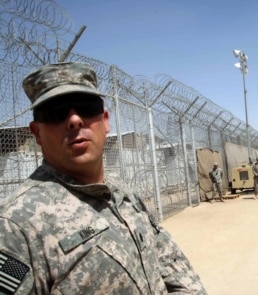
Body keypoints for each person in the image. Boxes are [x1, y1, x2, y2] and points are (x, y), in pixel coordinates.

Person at [0, 62, 206, 294]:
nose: (75, 120)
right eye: (55, 112)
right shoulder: (15, 225)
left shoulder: (120, 192)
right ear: (37, 132)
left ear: (106, 120)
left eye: (87, 107)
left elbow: (170, 263)